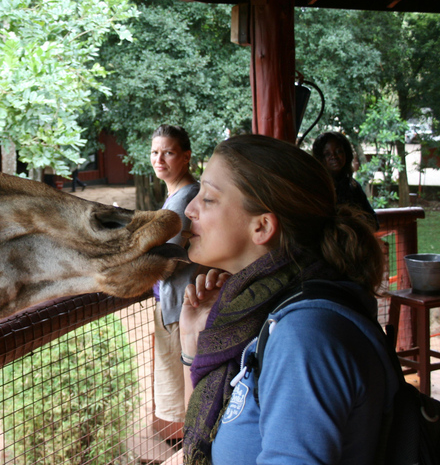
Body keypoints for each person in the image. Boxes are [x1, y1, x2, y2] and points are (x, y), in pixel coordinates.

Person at [175, 134, 397, 464]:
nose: (190, 209)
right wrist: (193, 340)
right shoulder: (263, 314)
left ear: (262, 227)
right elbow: (202, 445)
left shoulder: (303, 338)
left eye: (208, 198)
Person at [149, 124, 205, 435]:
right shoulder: (182, 195)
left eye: (168, 152)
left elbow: (167, 261)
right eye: (155, 152)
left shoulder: (183, 200)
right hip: (183, 305)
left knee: (186, 399)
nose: (159, 159)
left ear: (185, 157)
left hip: (181, 309)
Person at [312, 131, 378, 229]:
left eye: (339, 151)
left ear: (346, 154)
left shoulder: (353, 186)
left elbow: (374, 223)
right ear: (320, 158)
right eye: (327, 154)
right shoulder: (316, 187)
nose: (334, 156)